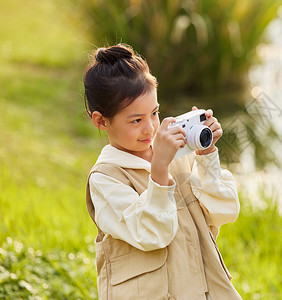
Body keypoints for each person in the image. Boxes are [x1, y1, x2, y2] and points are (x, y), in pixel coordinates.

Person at [83, 44, 242, 300]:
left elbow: (223, 211)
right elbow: (152, 234)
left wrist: (205, 155)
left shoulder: (179, 155)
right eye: (136, 120)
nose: (150, 129)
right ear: (102, 121)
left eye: (154, 113)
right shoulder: (106, 178)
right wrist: (159, 170)